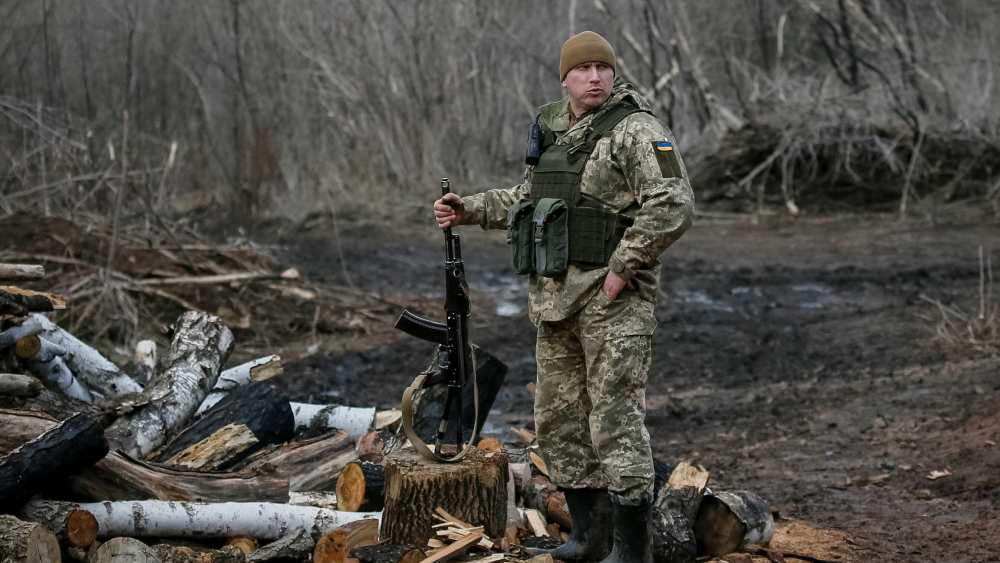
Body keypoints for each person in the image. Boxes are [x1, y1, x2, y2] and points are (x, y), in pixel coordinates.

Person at [433, 30, 694, 563]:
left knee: (615, 419)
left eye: (603, 67)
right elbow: (527, 201)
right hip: (555, 300)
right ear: (565, 77)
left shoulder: (636, 131)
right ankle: (588, 536)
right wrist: (471, 209)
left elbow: (673, 203)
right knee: (558, 419)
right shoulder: (554, 131)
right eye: (583, 69)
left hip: (613, 301)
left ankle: (631, 549)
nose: (594, 77)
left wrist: (623, 267)